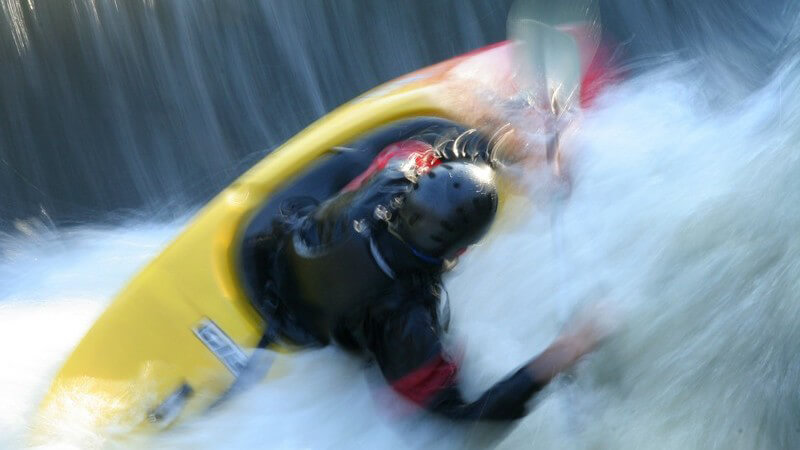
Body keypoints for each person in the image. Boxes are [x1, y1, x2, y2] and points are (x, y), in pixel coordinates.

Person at [246, 124, 608, 421]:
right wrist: (565, 351)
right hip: (316, 327)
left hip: (277, 255)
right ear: (461, 250)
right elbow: (462, 412)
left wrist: (522, 160)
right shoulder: (407, 319)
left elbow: (431, 151)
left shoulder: (394, 177)